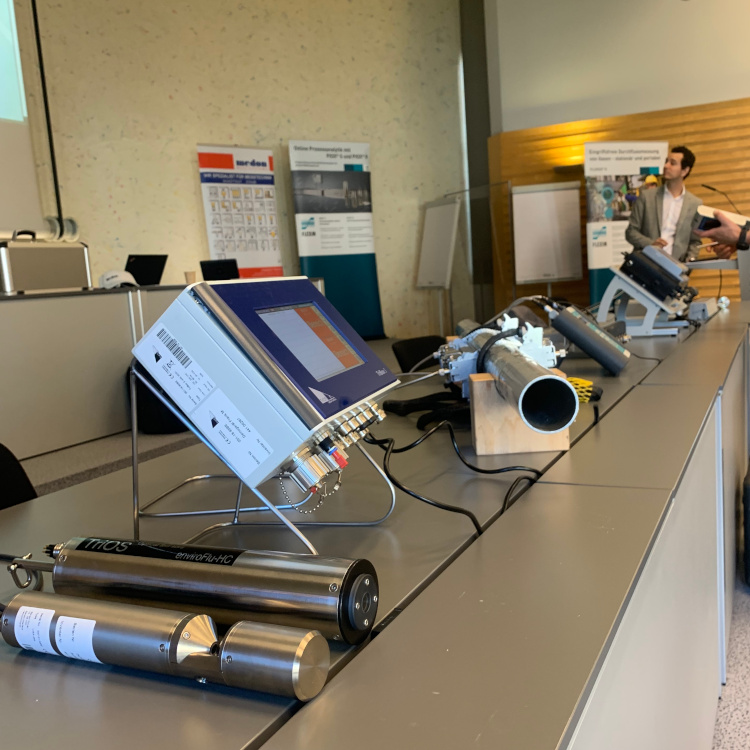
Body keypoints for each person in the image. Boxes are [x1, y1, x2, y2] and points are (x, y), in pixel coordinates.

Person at [625, 146, 703, 261]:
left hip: (676, 268)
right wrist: (650, 244)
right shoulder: (646, 197)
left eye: (672, 163)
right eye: (666, 161)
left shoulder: (695, 204)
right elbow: (631, 232)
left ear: (684, 171)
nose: (666, 166)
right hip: (646, 262)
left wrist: (689, 263)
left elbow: (695, 241)